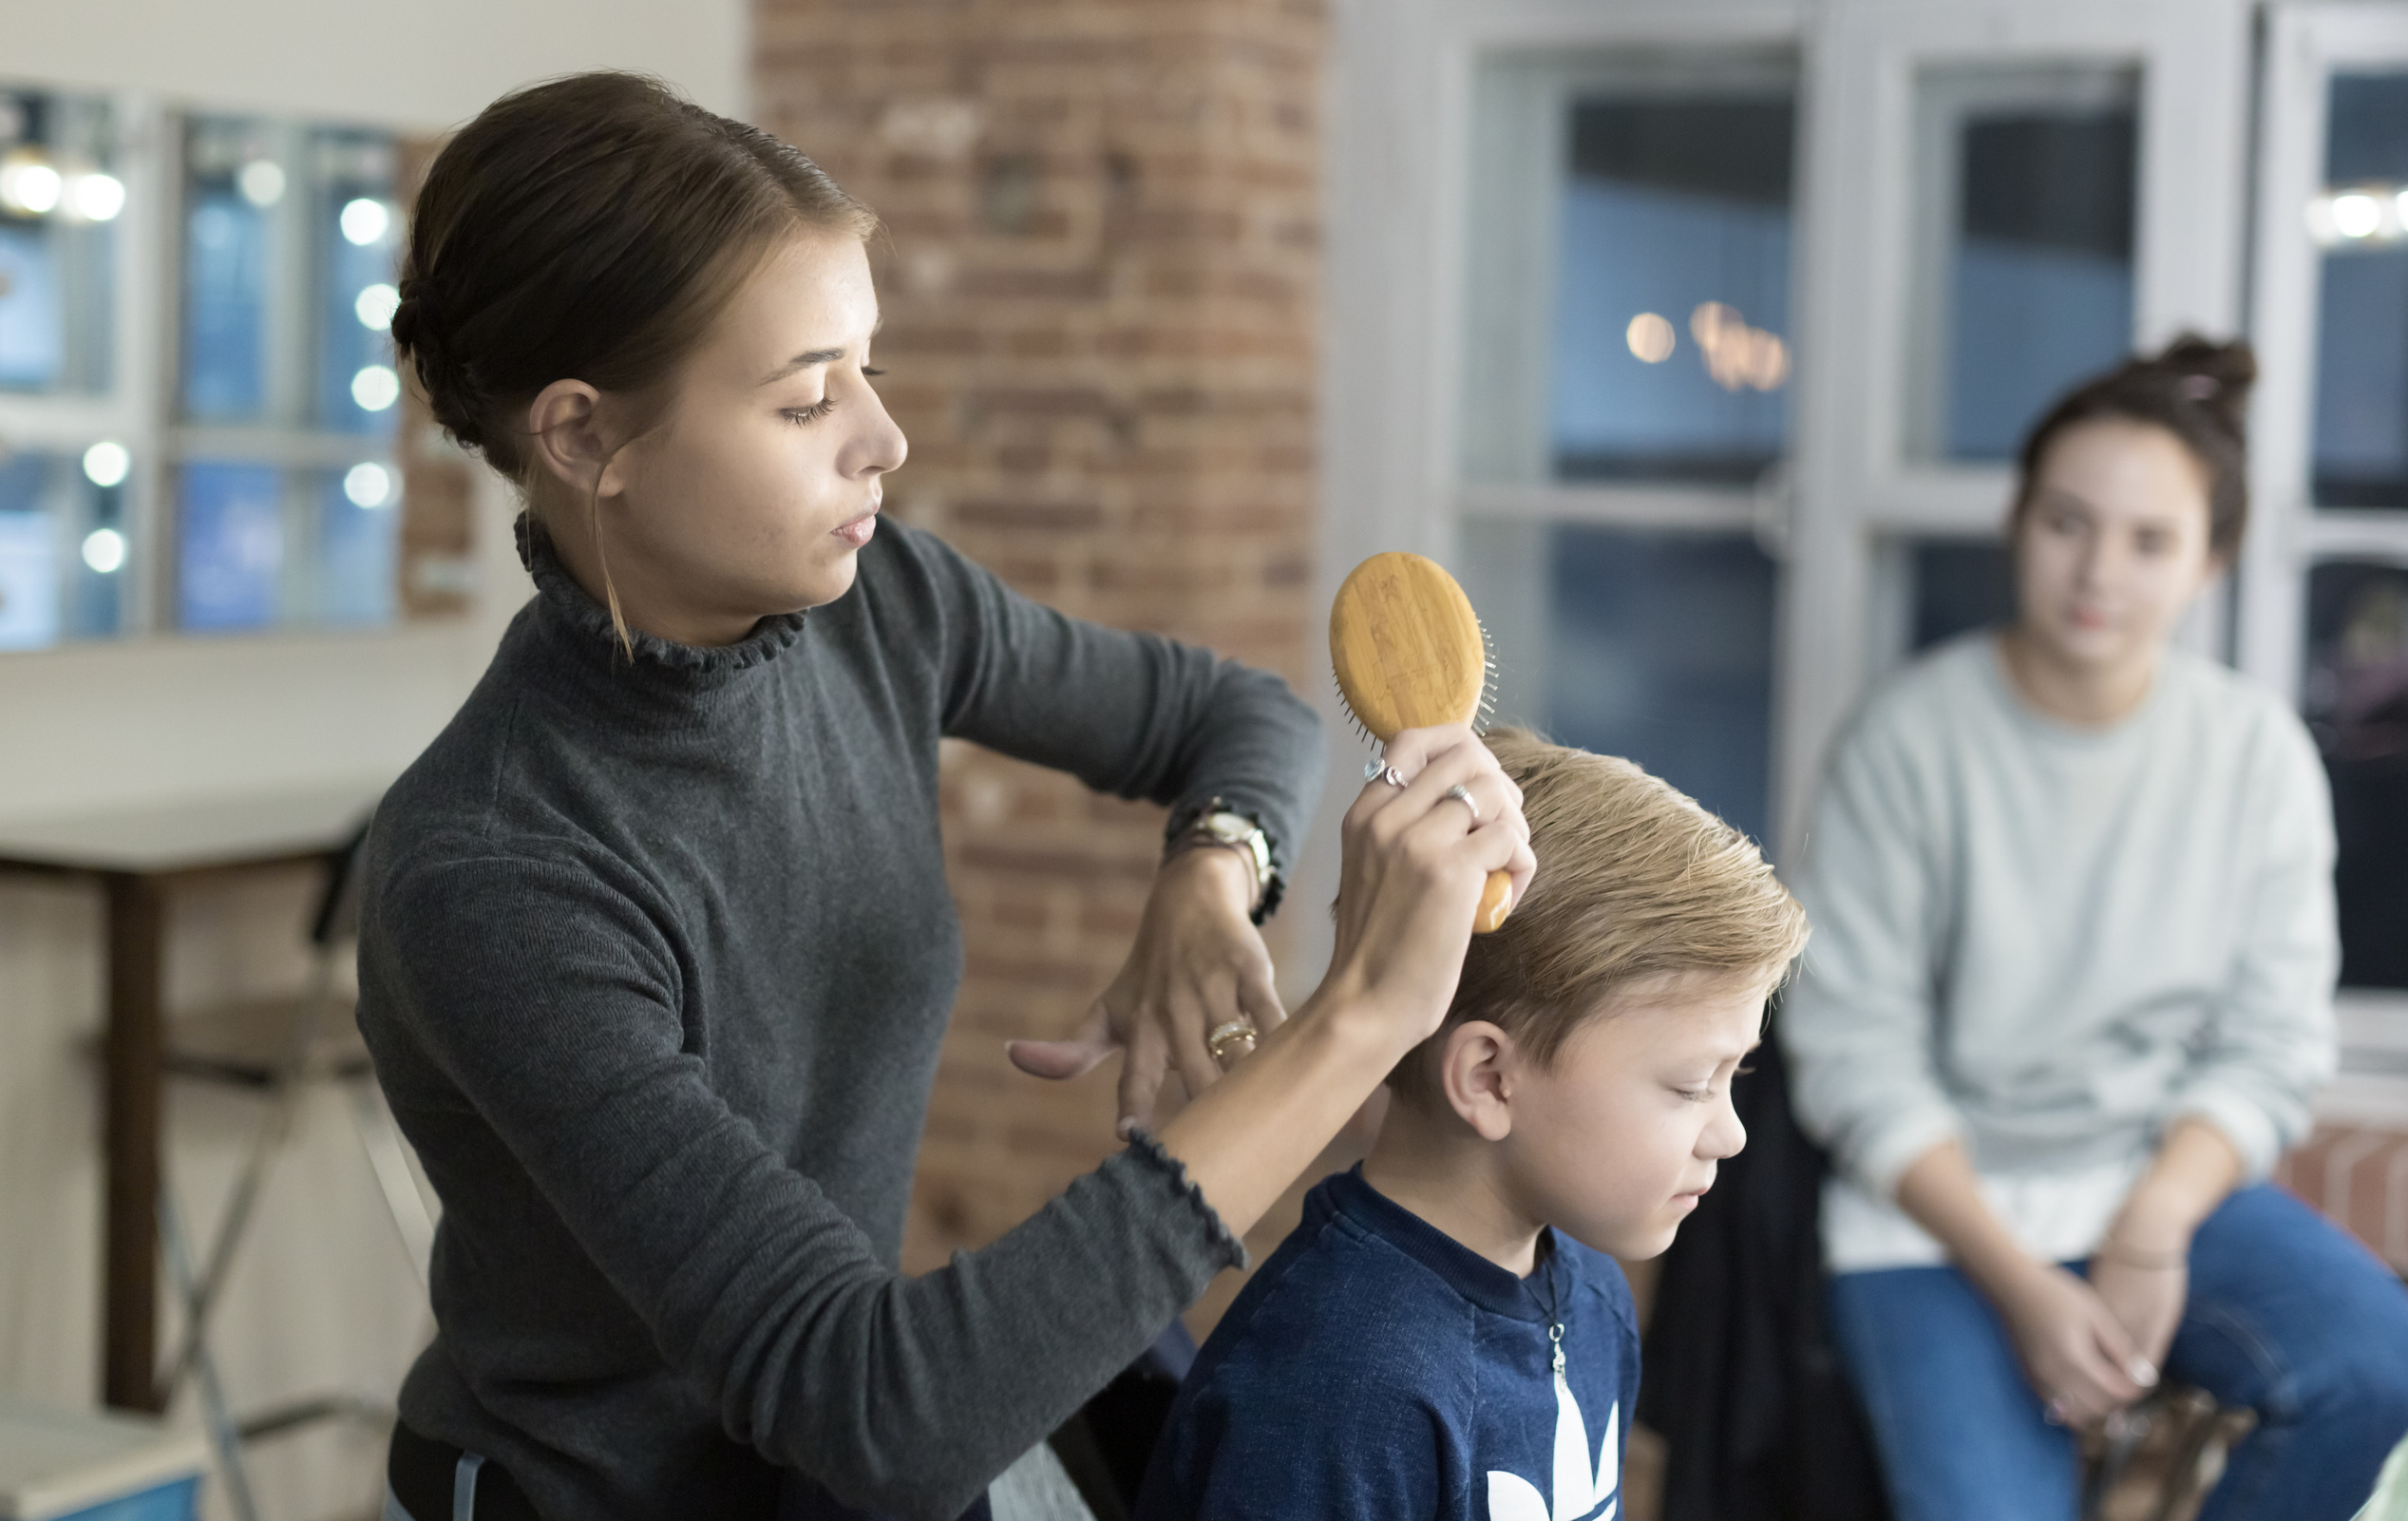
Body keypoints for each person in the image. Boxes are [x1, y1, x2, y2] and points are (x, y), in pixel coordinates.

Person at [356, 73, 1536, 1521]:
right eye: (804, 398)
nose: (879, 440)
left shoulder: (880, 608)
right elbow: (881, 1410)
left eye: (869, 369)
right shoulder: (495, 873)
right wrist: (1358, 1023)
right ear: (585, 438)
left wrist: (1214, 868)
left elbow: (1241, 716)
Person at [1780, 336, 2408, 1519]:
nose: (2098, 571)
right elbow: (1851, 1051)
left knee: (2382, 1368)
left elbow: (2273, 1040)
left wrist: (2151, 1223)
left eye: (2149, 541)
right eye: (2065, 522)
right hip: (1932, 1220)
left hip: (2151, 1185)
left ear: (2211, 561)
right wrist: (2023, 1286)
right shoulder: (1905, 738)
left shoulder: (2255, 754)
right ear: (2015, 521)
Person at [1136, 731, 1810, 1520]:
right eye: (1693, 1083)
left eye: (1738, 1074)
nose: (1731, 1133)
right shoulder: (1337, 1383)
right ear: (1489, 1077)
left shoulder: (1592, 1294)